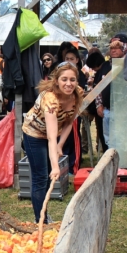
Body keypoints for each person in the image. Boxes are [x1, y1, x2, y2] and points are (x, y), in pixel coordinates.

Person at [22, 62, 84, 223]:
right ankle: (41, 220)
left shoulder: (78, 93)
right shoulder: (50, 99)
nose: (69, 84)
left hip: (52, 135)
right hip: (34, 134)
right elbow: (50, 136)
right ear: (56, 80)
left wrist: (60, 145)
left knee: (48, 176)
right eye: (64, 79)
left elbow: (69, 122)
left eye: (72, 80)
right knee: (41, 176)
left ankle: (43, 214)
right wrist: (56, 166)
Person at [94, 33, 127, 148]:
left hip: (125, 111)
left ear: (125, 47)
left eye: (117, 47)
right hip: (108, 110)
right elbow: (98, 87)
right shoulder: (105, 66)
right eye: (111, 48)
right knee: (109, 142)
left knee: (124, 141)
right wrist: (99, 104)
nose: (113, 50)